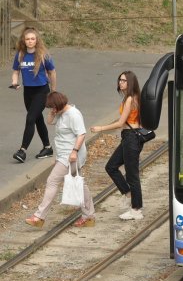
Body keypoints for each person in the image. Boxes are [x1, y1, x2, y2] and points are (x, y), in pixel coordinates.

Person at [24, 91, 95, 228]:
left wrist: (74, 152)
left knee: (52, 181)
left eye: (52, 107)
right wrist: (53, 112)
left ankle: (39, 216)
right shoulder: (61, 113)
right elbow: (49, 122)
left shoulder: (73, 114)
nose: (52, 110)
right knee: (79, 184)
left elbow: (81, 134)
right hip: (65, 154)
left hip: (71, 155)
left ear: (59, 104)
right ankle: (89, 215)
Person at [90, 71, 144, 221]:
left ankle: (136, 209)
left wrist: (100, 128)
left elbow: (121, 123)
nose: (120, 83)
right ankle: (128, 194)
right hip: (129, 137)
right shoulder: (133, 98)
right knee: (111, 166)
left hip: (131, 138)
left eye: (124, 81)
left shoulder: (130, 100)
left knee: (132, 175)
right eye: (120, 80)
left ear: (130, 83)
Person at [10, 26, 57, 163]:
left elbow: (52, 73)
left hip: (42, 91)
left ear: (37, 40)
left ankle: (22, 151)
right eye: (27, 39)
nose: (30, 41)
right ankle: (47, 147)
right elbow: (15, 71)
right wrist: (14, 82)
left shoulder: (44, 55)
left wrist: (53, 91)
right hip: (28, 92)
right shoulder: (20, 55)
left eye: (32, 39)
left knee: (30, 118)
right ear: (23, 41)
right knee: (37, 119)